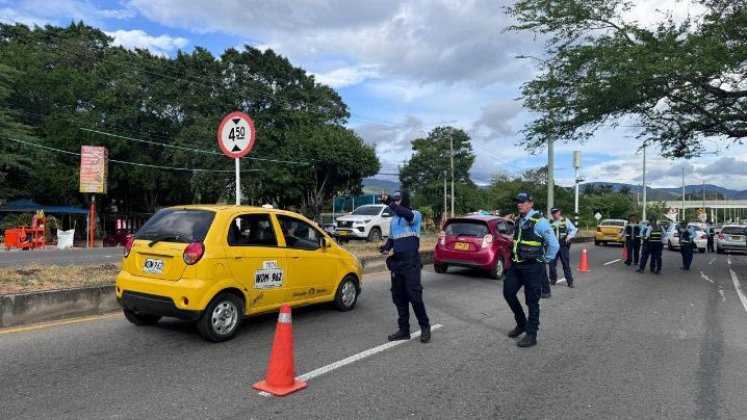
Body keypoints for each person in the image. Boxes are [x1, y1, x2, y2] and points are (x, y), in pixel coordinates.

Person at [503, 192, 560, 348]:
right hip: (516, 265)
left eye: (523, 202)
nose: (519, 204)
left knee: (532, 301)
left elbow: (554, 245)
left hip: (533, 266)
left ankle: (531, 334)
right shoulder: (519, 220)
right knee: (508, 292)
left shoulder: (540, 222)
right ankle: (521, 323)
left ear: (531, 203)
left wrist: (544, 261)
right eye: (518, 202)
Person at [378, 191, 431, 343]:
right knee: (399, 298)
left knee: (414, 296)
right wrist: (385, 248)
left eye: (398, 200)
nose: (396, 203)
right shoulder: (393, 221)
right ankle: (404, 330)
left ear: (405, 200)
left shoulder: (415, 215)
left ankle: (425, 326)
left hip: (411, 262)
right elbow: (391, 239)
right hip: (398, 263)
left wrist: (389, 202)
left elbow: (404, 213)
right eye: (394, 200)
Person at [548, 207, 578, 288]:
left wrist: (569, 236)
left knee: (565, 264)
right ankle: (553, 280)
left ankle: (570, 282)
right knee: (551, 264)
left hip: (563, 245)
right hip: (553, 246)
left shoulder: (565, 220)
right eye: (553, 213)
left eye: (556, 212)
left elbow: (574, 229)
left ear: (559, 212)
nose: (554, 214)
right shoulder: (550, 222)